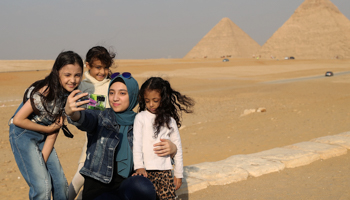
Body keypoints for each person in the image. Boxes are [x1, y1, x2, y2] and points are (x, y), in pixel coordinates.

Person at [64, 73, 178, 200]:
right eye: (112, 93)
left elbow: (156, 156)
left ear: (134, 95)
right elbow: (85, 119)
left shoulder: (142, 121)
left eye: (122, 93)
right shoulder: (101, 116)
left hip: (127, 184)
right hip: (99, 188)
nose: (115, 98)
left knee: (143, 187)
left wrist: (172, 150)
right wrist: (72, 113)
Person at [9, 51, 84, 200]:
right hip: (23, 133)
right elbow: (18, 120)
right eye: (67, 75)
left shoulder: (68, 95)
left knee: (61, 185)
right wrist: (47, 129)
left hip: (45, 136)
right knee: (42, 188)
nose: (73, 80)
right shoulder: (44, 92)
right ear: (57, 73)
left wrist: (40, 161)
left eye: (77, 75)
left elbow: (54, 129)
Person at [132, 77, 194, 199]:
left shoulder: (170, 120)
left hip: (165, 172)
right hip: (145, 172)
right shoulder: (140, 117)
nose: (151, 104)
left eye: (155, 100)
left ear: (163, 99)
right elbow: (137, 143)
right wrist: (139, 166)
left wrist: (178, 174)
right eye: (147, 100)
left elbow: (178, 147)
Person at [68, 46, 116, 200]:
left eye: (106, 67)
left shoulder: (112, 84)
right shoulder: (80, 86)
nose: (102, 72)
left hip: (113, 137)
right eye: (98, 67)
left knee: (95, 181)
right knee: (82, 173)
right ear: (87, 65)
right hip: (94, 139)